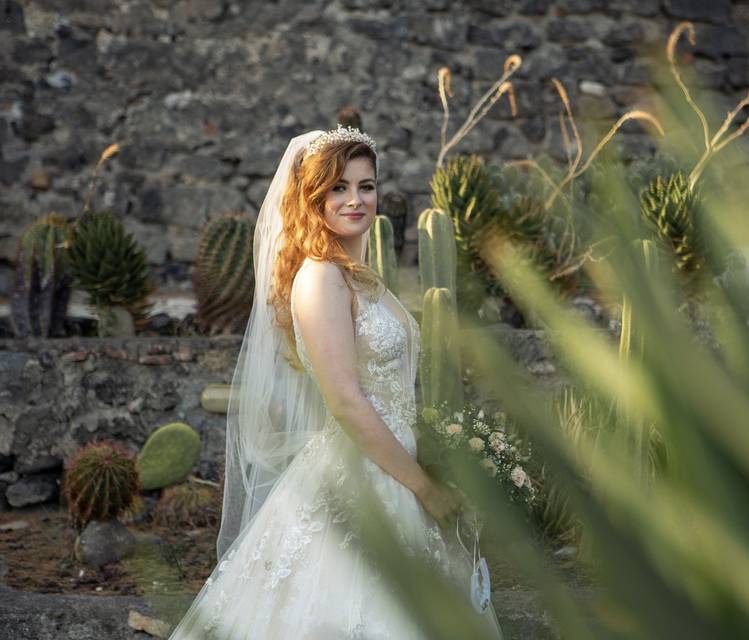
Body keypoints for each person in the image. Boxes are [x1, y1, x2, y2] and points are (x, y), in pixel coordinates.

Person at [167, 127, 504, 638]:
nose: (355, 199)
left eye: (366, 186)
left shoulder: (359, 275)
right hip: (365, 476)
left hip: (393, 459)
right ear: (313, 198)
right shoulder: (320, 276)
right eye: (338, 188)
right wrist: (423, 487)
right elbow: (346, 402)